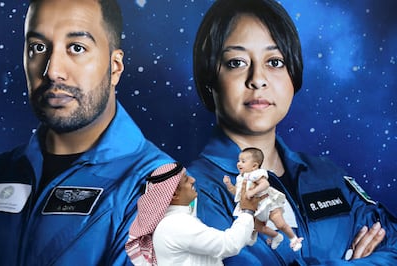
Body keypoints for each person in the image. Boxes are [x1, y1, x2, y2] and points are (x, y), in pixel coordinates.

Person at [187, 0, 397, 265]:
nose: (258, 79)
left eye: (274, 61)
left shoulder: (327, 174)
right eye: (237, 62)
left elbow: (394, 242)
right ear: (208, 79)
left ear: (293, 74)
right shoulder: (192, 193)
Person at [0, 0, 173, 265]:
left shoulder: (160, 188)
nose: (53, 71)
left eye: (76, 48)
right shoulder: (3, 170)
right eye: (38, 47)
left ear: (115, 68)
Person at [125, 162, 264, 266]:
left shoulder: (177, 221)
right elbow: (228, 245)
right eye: (186, 179)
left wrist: (250, 220)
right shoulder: (175, 224)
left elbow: (216, 251)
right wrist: (247, 212)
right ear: (173, 194)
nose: (193, 180)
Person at [224, 147, 303, 251]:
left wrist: (253, 191)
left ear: (254, 166)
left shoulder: (257, 173)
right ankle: (276, 236)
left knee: (279, 223)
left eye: (243, 161)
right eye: (238, 161)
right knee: (259, 227)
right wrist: (229, 185)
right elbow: (238, 193)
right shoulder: (240, 178)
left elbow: (265, 184)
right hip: (257, 207)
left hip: (269, 203)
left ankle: (293, 239)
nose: (239, 164)